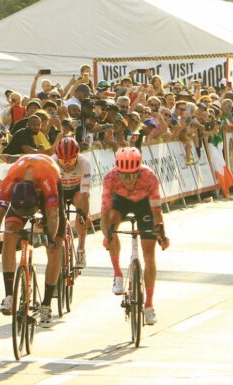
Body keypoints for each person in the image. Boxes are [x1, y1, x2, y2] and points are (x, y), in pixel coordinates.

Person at [0, 154, 64, 328]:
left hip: (50, 178)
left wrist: (50, 238)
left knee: (54, 248)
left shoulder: (47, 181)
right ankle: (9, 295)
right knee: (8, 236)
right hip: (21, 192)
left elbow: (53, 215)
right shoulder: (11, 179)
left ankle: (46, 304)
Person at [100, 148, 170, 326]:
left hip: (144, 204)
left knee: (149, 254)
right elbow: (104, 213)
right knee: (112, 222)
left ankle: (148, 305)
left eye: (133, 175)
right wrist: (107, 235)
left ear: (139, 170)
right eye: (124, 176)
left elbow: (156, 211)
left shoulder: (149, 177)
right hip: (120, 202)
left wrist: (161, 235)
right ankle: (117, 273)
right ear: (117, 171)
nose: (129, 180)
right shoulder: (110, 178)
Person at [52, 137, 90, 268]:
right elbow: (48, 193)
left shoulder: (84, 163)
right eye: (63, 161)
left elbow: (85, 194)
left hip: (76, 190)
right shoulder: (52, 162)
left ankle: (81, 249)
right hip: (59, 190)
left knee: (81, 203)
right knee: (53, 212)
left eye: (71, 160)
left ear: (77, 157)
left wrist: (84, 216)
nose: (67, 165)